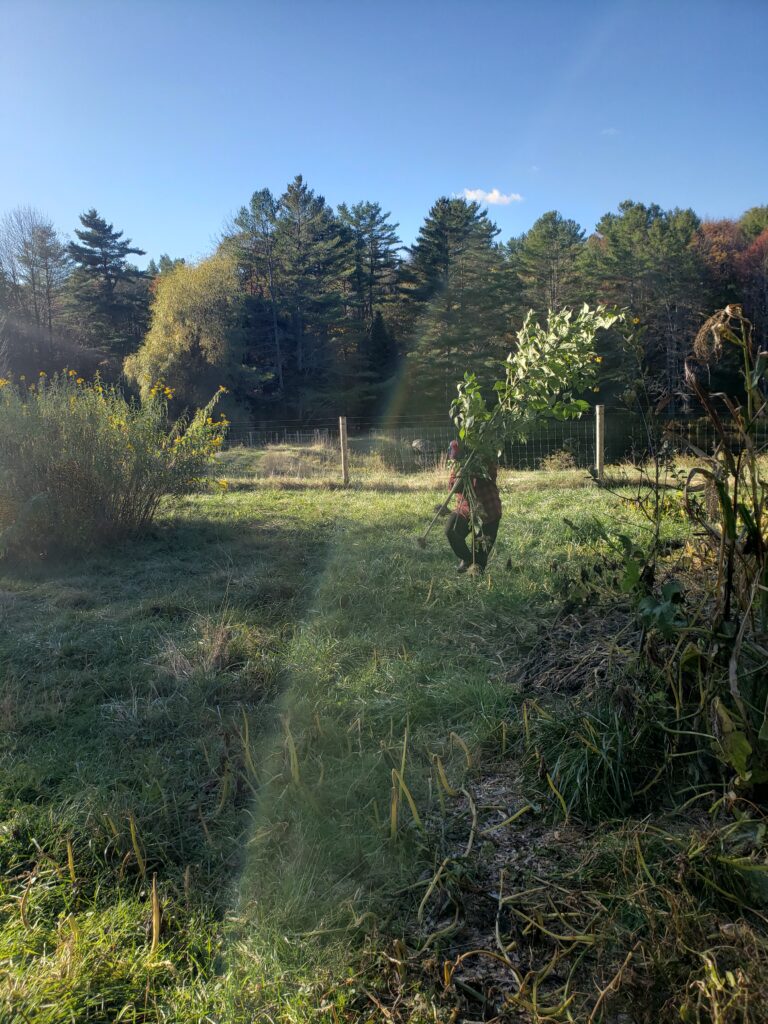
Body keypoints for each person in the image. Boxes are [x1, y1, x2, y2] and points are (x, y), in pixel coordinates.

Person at [444, 441, 502, 573]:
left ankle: (476, 569)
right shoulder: (457, 460)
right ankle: (467, 559)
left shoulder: (485, 454)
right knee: (451, 530)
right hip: (465, 508)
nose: (454, 461)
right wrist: (461, 476)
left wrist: (472, 470)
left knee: (479, 562)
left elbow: (489, 476)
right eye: (454, 459)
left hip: (488, 510)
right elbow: (452, 486)